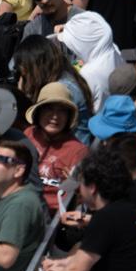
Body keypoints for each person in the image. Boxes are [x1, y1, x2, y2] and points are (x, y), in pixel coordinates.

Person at [13, 146, 136, 271]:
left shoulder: (106, 218)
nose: (79, 191)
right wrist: (63, 263)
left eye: (80, 185)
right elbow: (113, 257)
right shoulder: (130, 210)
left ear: (92, 187)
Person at [24, 82, 89, 211]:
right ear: (39, 112)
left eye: (62, 111)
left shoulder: (78, 151)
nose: (55, 116)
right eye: (49, 109)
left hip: (51, 216)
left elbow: (84, 198)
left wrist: (73, 186)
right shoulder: (28, 135)